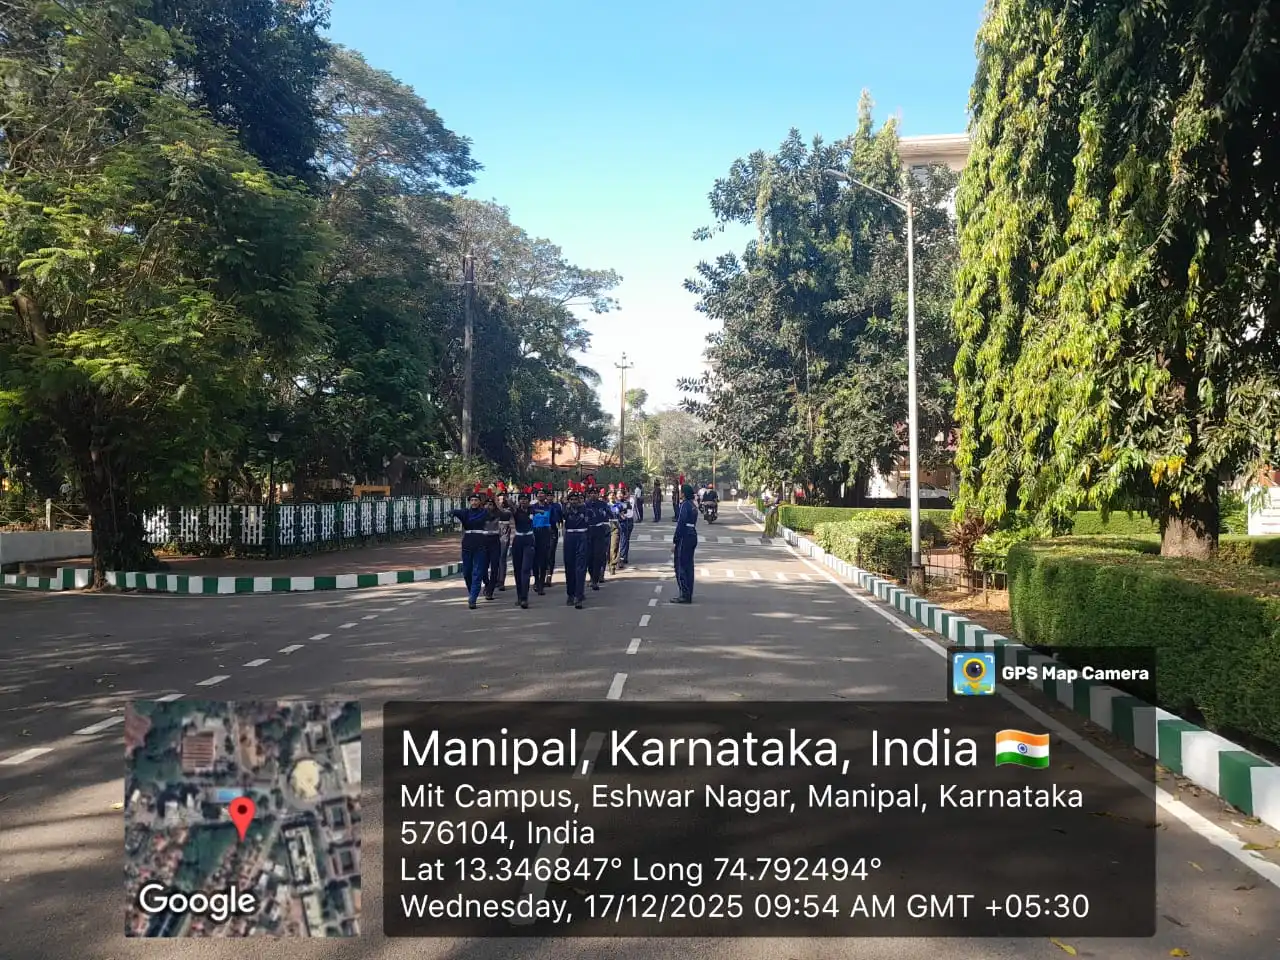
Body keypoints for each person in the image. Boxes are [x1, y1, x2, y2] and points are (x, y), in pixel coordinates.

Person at [452, 488, 492, 610]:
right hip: (467, 545)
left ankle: (473, 598)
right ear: (469, 501)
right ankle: (472, 593)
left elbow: (489, 515)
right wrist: (452, 512)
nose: (474, 502)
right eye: (472, 500)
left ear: (480, 502)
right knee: (466, 572)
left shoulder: (484, 512)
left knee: (477, 572)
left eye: (476, 500)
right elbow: (456, 511)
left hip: (480, 544)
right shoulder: (465, 512)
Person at [561, 484, 589, 608]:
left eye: (576, 500)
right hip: (570, 538)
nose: (574, 502)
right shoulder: (566, 510)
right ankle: (570, 594)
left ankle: (579, 595)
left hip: (581, 537)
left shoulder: (584, 509)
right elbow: (562, 514)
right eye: (571, 499)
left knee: (580, 568)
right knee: (569, 567)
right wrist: (564, 502)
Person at [670, 483, 699, 604]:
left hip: (685, 536)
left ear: (684, 493)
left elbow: (680, 524)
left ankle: (684, 593)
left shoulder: (684, 505)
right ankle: (688, 593)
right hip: (692, 534)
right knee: (689, 566)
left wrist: (675, 540)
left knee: (681, 565)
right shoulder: (693, 505)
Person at [481, 486, 508, 601]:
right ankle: (487, 584)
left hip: (495, 542)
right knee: (482, 567)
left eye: (490, 505)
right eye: (486, 504)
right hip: (483, 542)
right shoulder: (480, 515)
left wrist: (497, 503)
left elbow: (505, 514)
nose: (488, 506)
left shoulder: (498, 514)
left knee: (495, 567)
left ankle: (490, 590)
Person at [510, 487, 535, 608]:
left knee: (525, 569)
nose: (523, 501)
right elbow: (509, 507)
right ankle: (519, 596)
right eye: (521, 499)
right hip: (518, 540)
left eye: (526, 499)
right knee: (517, 569)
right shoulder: (516, 511)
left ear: (529, 501)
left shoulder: (533, 510)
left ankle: (525, 598)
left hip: (529, 540)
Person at [585, 480, 609, 589]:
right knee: (589, 557)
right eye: (591, 493)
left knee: (598, 556)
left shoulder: (603, 504)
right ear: (588, 494)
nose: (593, 494)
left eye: (595, 493)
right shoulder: (585, 505)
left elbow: (608, 516)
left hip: (599, 532)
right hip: (588, 533)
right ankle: (591, 576)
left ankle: (595, 580)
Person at [531, 483, 554, 595]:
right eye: (538, 493)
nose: (540, 495)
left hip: (546, 533)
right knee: (534, 559)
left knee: (544, 559)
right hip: (534, 532)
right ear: (536, 496)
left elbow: (553, 521)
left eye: (542, 493)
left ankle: (541, 583)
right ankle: (536, 580)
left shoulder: (549, 507)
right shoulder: (532, 507)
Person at [493, 483, 513, 592]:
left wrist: (498, 504)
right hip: (494, 530)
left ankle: (501, 581)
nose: (502, 497)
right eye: (500, 495)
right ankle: (494, 579)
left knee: (502, 556)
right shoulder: (493, 506)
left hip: (504, 530)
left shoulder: (509, 506)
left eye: (504, 495)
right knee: (493, 557)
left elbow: (505, 514)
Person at [618, 482, 634, 567]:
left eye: (623, 492)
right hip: (619, 521)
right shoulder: (617, 501)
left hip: (627, 521)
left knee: (624, 539)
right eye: (619, 493)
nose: (622, 494)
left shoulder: (630, 500)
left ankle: (623, 557)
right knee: (622, 540)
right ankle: (623, 557)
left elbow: (628, 512)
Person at [607, 488, 622, 575]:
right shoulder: (605, 506)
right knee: (607, 548)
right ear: (608, 496)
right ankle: (608, 562)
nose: (612, 496)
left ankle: (613, 565)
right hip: (607, 526)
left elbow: (622, 514)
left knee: (614, 546)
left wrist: (622, 516)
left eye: (613, 495)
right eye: (610, 495)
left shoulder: (618, 505)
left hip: (615, 526)